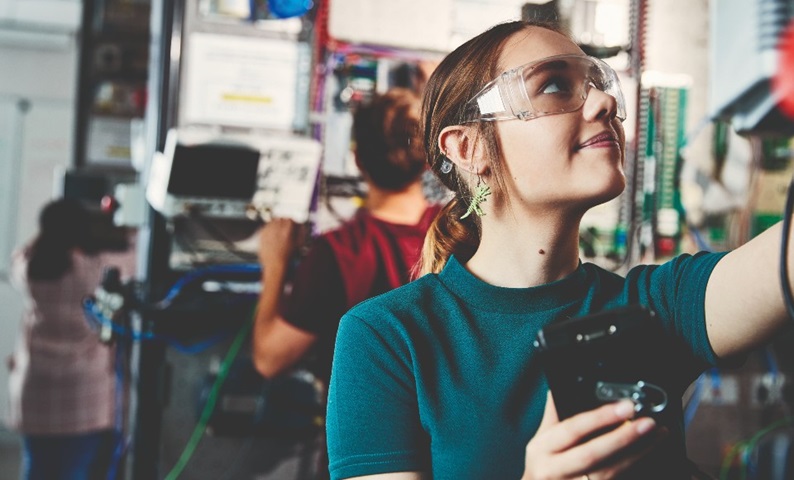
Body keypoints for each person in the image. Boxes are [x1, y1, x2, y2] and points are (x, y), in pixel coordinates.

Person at [325, 20, 792, 480]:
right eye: (553, 85)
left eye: (596, 84)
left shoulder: (653, 308)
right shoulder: (385, 337)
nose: (605, 101)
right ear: (468, 149)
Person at [252, 87, 441, 391]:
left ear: (357, 159)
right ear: (428, 160)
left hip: (369, 431)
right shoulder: (457, 230)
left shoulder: (339, 253)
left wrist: (274, 266)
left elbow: (270, 359)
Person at [6, 198, 136, 480]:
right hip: (84, 398)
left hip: (35, 392)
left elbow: (24, 251)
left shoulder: (28, 268)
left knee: (37, 469)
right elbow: (138, 254)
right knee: (77, 472)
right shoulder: (93, 268)